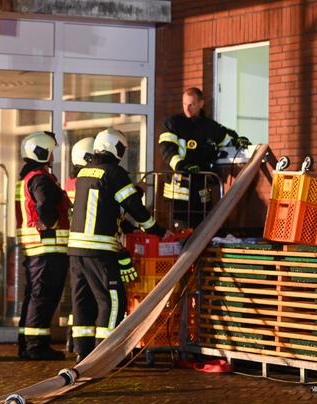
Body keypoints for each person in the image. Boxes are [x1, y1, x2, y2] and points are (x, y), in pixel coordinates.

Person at [68, 128, 168, 362]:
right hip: (99, 250)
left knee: (82, 300)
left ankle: (83, 353)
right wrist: (157, 230)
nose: (123, 153)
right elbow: (133, 206)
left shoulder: (85, 173)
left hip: (76, 250)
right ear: (115, 148)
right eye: (122, 148)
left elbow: (107, 205)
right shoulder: (115, 173)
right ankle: (105, 355)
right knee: (112, 301)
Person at [15, 131, 70, 361]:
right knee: (43, 297)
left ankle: (28, 344)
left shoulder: (30, 177)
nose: (53, 157)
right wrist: (51, 223)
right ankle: (35, 347)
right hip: (47, 248)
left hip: (38, 249)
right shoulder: (39, 178)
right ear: (42, 151)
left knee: (35, 296)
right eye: (51, 152)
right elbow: (45, 204)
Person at [160, 87, 248, 228]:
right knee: (181, 230)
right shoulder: (172, 123)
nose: (187, 108)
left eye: (191, 104)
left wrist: (237, 140)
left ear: (201, 104)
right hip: (180, 189)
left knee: (202, 228)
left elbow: (226, 137)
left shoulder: (208, 126)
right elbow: (166, 149)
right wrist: (181, 166)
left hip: (201, 186)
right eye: (184, 104)